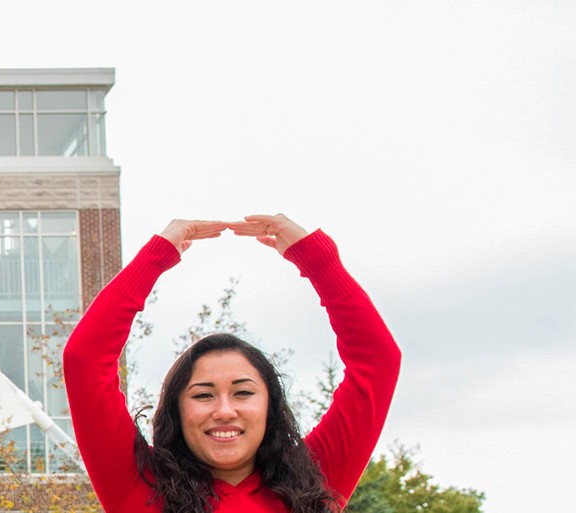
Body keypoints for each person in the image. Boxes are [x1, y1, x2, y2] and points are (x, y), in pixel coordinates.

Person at [63, 216, 401, 512]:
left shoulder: (314, 482)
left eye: (242, 393)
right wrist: (156, 256)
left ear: (270, 406)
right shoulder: (141, 487)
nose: (224, 410)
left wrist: (319, 261)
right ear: (177, 411)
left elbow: (377, 360)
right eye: (203, 395)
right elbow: (85, 361)